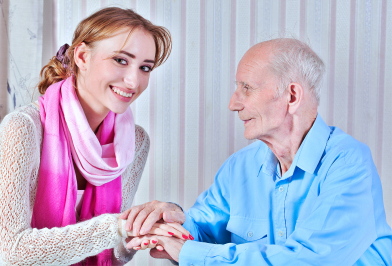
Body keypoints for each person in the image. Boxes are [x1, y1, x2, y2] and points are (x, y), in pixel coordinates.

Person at [122, 38, 392, 265]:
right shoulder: (240, 166)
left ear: (292, 96)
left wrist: (191, 254)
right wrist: (170, 221)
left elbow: (311, 259)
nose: (233, 103)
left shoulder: (348, 162)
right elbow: (201, 232)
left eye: (246, 88)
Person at [0, 7, 190, 265]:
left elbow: (115, 254)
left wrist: (149, 226)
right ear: (83, 57)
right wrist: (117, 227)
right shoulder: (23, 129)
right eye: (121, 60)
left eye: (145, 67)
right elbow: (12, 250)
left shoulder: (136, 141)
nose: (133, 81)